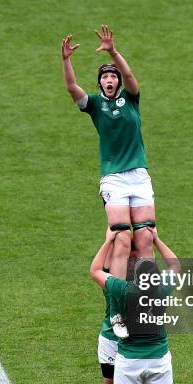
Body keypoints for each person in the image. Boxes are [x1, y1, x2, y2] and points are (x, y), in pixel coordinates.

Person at [90, 227, 185, 384]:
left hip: (129, 360)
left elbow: (95, 270)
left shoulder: (122, 290)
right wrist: (156, 239)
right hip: (158, 359)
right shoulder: (161, 289)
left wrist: (108, 240)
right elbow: (176, 267)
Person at [61, 25, 156, 281]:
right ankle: (117, 304)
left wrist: (113, 52)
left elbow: (130, 73)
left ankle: (147, 298)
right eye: (105, 77)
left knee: (146, 237)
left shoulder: (131, 98)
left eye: (113, 76)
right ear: (100, 83)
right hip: (114, 178)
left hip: (138, 175)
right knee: (121, 237)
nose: (110, 79)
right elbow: (71, 86)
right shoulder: (94, 104)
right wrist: (66, 60)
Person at [89, 229, 151, 384]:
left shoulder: (145, 278)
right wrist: (108, 239)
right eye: (128, 255)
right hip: (111, 342)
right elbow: (97, 268)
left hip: (138, 340)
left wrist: (152, 236)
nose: (133, 259)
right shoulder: (112, 278)